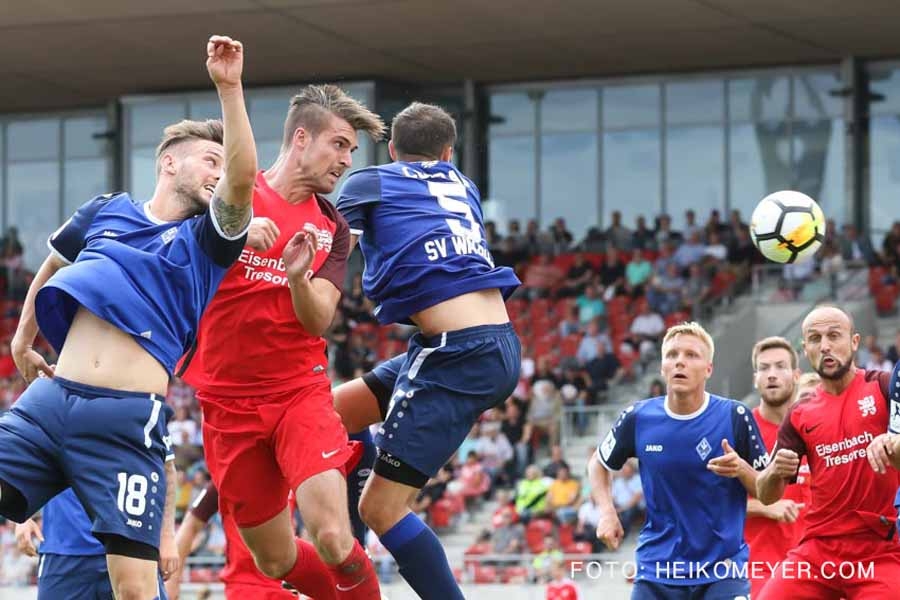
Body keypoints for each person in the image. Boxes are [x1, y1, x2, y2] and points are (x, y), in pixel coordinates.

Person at [0, 35, 255, 600]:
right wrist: (23, 336)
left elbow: (240, 180)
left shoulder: (210, 240)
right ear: (169, 163)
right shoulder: (106, 210)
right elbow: (55, 261)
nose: (219, 171)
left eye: (223, 160)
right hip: (50, 401)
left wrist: (229, 88)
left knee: (135, 590)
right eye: (207, 159)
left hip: (124, 420)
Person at [180, 83, 386, 599]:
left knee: (335, 536)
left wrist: (297, 276)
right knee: (274, 560)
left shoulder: (331, 228)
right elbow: (238, 165)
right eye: (338, 144)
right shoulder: (237, 197)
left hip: (299, 391)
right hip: (226, 404)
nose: (346, 160)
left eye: (352, 151)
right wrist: (230, 87)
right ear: (300, 138)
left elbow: (318, 321)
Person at [334, 102, 521, 600]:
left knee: (383, 509)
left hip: (455, 353)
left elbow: (335, 253)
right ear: (448, 152)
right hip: (487, 341)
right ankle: (347, 554)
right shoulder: (465, 184)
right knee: (332, 414)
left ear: (391, 149)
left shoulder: (370, 181)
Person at [588, 322, 767, 599]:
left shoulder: (736, 416)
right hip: (657, 570)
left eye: (691, 355)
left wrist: (742, 469)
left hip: (722, 571)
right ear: (662, 367)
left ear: (708, 369)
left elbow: (767, 491)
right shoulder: (638, 418)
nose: (679, 362)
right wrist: (607, 513)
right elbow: (598, 464)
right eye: (672, 355)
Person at [758, 306, 900, 599]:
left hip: (880, 550)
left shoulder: (883, 387)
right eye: (814, 338)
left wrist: (893, 442)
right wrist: (774, 471)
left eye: (834, 335)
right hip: (817, 551)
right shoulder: (800, 413)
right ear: (805, 349)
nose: (825, 345)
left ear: (855, 342)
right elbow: (766, 494)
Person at [743, 336, 811, 597]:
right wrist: (765, 506)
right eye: (764, 368)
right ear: (755, 378)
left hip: (814, 572)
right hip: (756, 572)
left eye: (780, 367)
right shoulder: (739, 430)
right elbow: (708, 505)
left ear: (796, 375)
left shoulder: (816, 427)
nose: (772, 375)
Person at [15, 489, 161, 599]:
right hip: (62, 552)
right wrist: (21, 513)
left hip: (125, 546)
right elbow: (27, 456)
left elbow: (164, 467)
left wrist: (167, 537)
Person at [165, 482, 296, 600]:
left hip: (285, 586)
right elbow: (190, 524)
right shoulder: (226, 476)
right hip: (247, 588)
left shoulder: (289, 474)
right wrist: (173, 580)